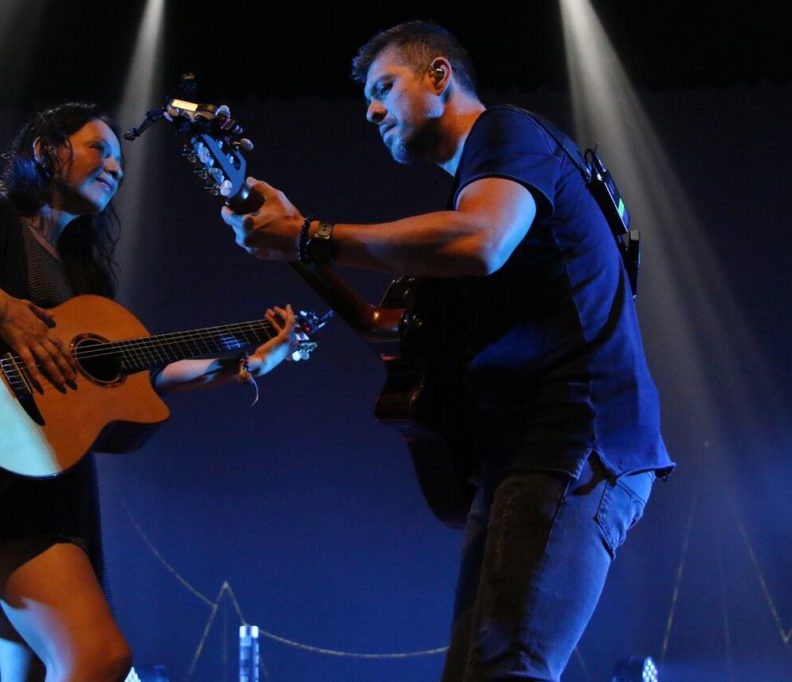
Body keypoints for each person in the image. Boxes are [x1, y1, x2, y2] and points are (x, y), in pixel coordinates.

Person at [221, 21, 675, 682]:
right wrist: (295, 245)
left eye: (384, 87)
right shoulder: (478, 184)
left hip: (578, 439)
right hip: (527, 452)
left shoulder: (507, 135)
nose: (370, 110)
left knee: (505, 668)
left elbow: (480, 241)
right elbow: (389, 329)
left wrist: (312, 236)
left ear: (439, 77)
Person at [0, 102, 299, 682]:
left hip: (52, 479)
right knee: (101, 658)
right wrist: (1, 306)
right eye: (99, 149)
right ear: (45, 150)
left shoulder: (84, 281)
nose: (115, 168)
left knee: (37, 673)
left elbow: (144, 379)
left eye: (120, 161)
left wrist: (241, 365)